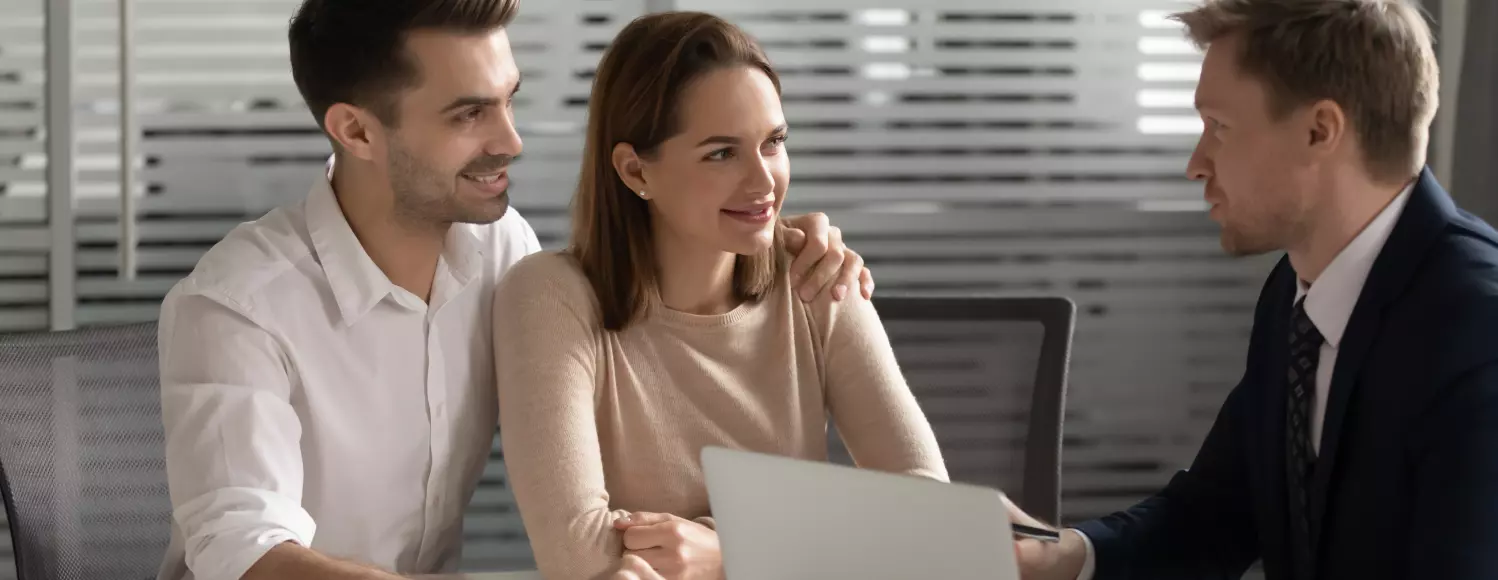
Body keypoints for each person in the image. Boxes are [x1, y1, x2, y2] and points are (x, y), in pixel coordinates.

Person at [154, 1, 875, 579]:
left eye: (509, 101)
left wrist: (778, 236)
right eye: (469, 114)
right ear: (356, 131)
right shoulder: (237, 305)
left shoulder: (504, 253)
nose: (511, 139)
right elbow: (239, 549)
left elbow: (651, 317)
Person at [1008, 1, 1498, 579]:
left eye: (1219, 127)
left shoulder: (1477, 331)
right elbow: (1214, 515)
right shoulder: (1298, 292)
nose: (1196, 164)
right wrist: (1057, 557)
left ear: (1320, 131)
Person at [490, 11, 950, 580]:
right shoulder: (550, 298)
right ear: (636, 170)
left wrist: (731, 549)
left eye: (774, 143)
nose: (764, 183)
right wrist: (825, 538)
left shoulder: (814, 276)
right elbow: (580, 558)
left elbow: (929, 509)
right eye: (721, 153)